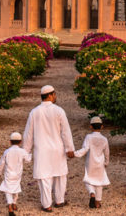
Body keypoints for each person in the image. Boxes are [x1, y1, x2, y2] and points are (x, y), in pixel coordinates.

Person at [22, 84, 75, 212]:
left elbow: (28, 134)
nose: (55, 96)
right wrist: (69, 148)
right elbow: (66, 131)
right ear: (50, 95)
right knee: (60, 175)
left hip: (42, 150)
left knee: (45, 177)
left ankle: (47, 205)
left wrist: (25, 152)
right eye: (54, 94)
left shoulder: (34, 112)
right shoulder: (59, 111)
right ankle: (59, 200)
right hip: (57, 149)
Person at [74, 116, 110, 209]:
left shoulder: (89, 137)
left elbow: (85, 149)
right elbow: (107, 152)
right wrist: (106, 162)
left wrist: (75, 154)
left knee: (88, 179)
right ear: (102, 127)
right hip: (100, 163)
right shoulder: (104, 139)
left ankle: (92, 193)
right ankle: (98, 203)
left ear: (91, 126)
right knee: (99, 182)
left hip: (90, 162)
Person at [0, 131, 31, 214]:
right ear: (20, 142)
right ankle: (14, 203)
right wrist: (30, 153)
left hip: (8, 174)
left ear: (10, 141)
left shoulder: (7, 151)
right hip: (18, 174)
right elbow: (28, 160)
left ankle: (10, 205)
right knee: (16, 188)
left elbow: (1, 163)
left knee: (8, 190)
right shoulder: (22, 151)